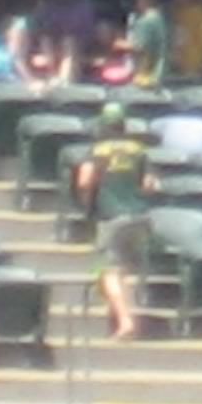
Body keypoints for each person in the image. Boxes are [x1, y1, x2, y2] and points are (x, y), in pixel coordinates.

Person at [74, 103, 154, 340]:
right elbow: (149, 184)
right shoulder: (138, 149)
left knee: (108, 272)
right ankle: (121, 312)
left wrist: (86, 203)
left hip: (111, 217)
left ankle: (125, 320)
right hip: (140, 216)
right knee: (123, 270)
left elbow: (84, 181)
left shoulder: (97, 150)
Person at [115, 0, 168, 89]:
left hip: (147, 77)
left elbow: (139, 47)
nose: (136, 2)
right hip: (161, 74)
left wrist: (119, 44)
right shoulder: (161, 18)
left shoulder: (147, 20)